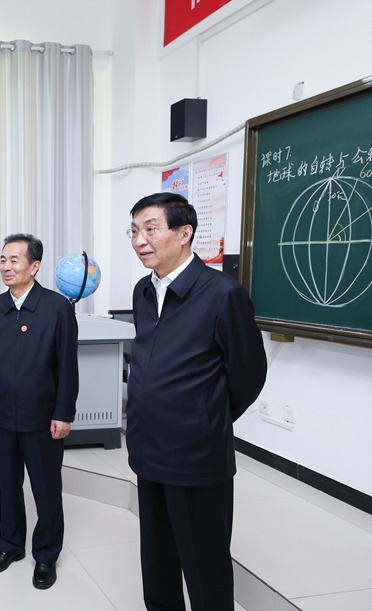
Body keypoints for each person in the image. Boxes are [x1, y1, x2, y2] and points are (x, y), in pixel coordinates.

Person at [126, 192, 267, 611]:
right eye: (134, 231)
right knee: (157, 558)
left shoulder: (222, 294)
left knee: (205, 565)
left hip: (196, 457)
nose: (139, 240)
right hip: (148, 448)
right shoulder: (143, 290)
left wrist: (207, 418)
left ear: (184, 233)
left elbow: (248, 374)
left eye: (151, 229)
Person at [0, 233, 78, 591]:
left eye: (14, 259)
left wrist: (63, 413)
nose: (6, 266)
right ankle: (10, 545)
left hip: (43, 418)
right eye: (3, 259)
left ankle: (46, 554)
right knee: (7, 484)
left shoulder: (57, 308)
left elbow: (68, 366)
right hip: (2, 417)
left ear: (34, 267)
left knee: (46, 488)